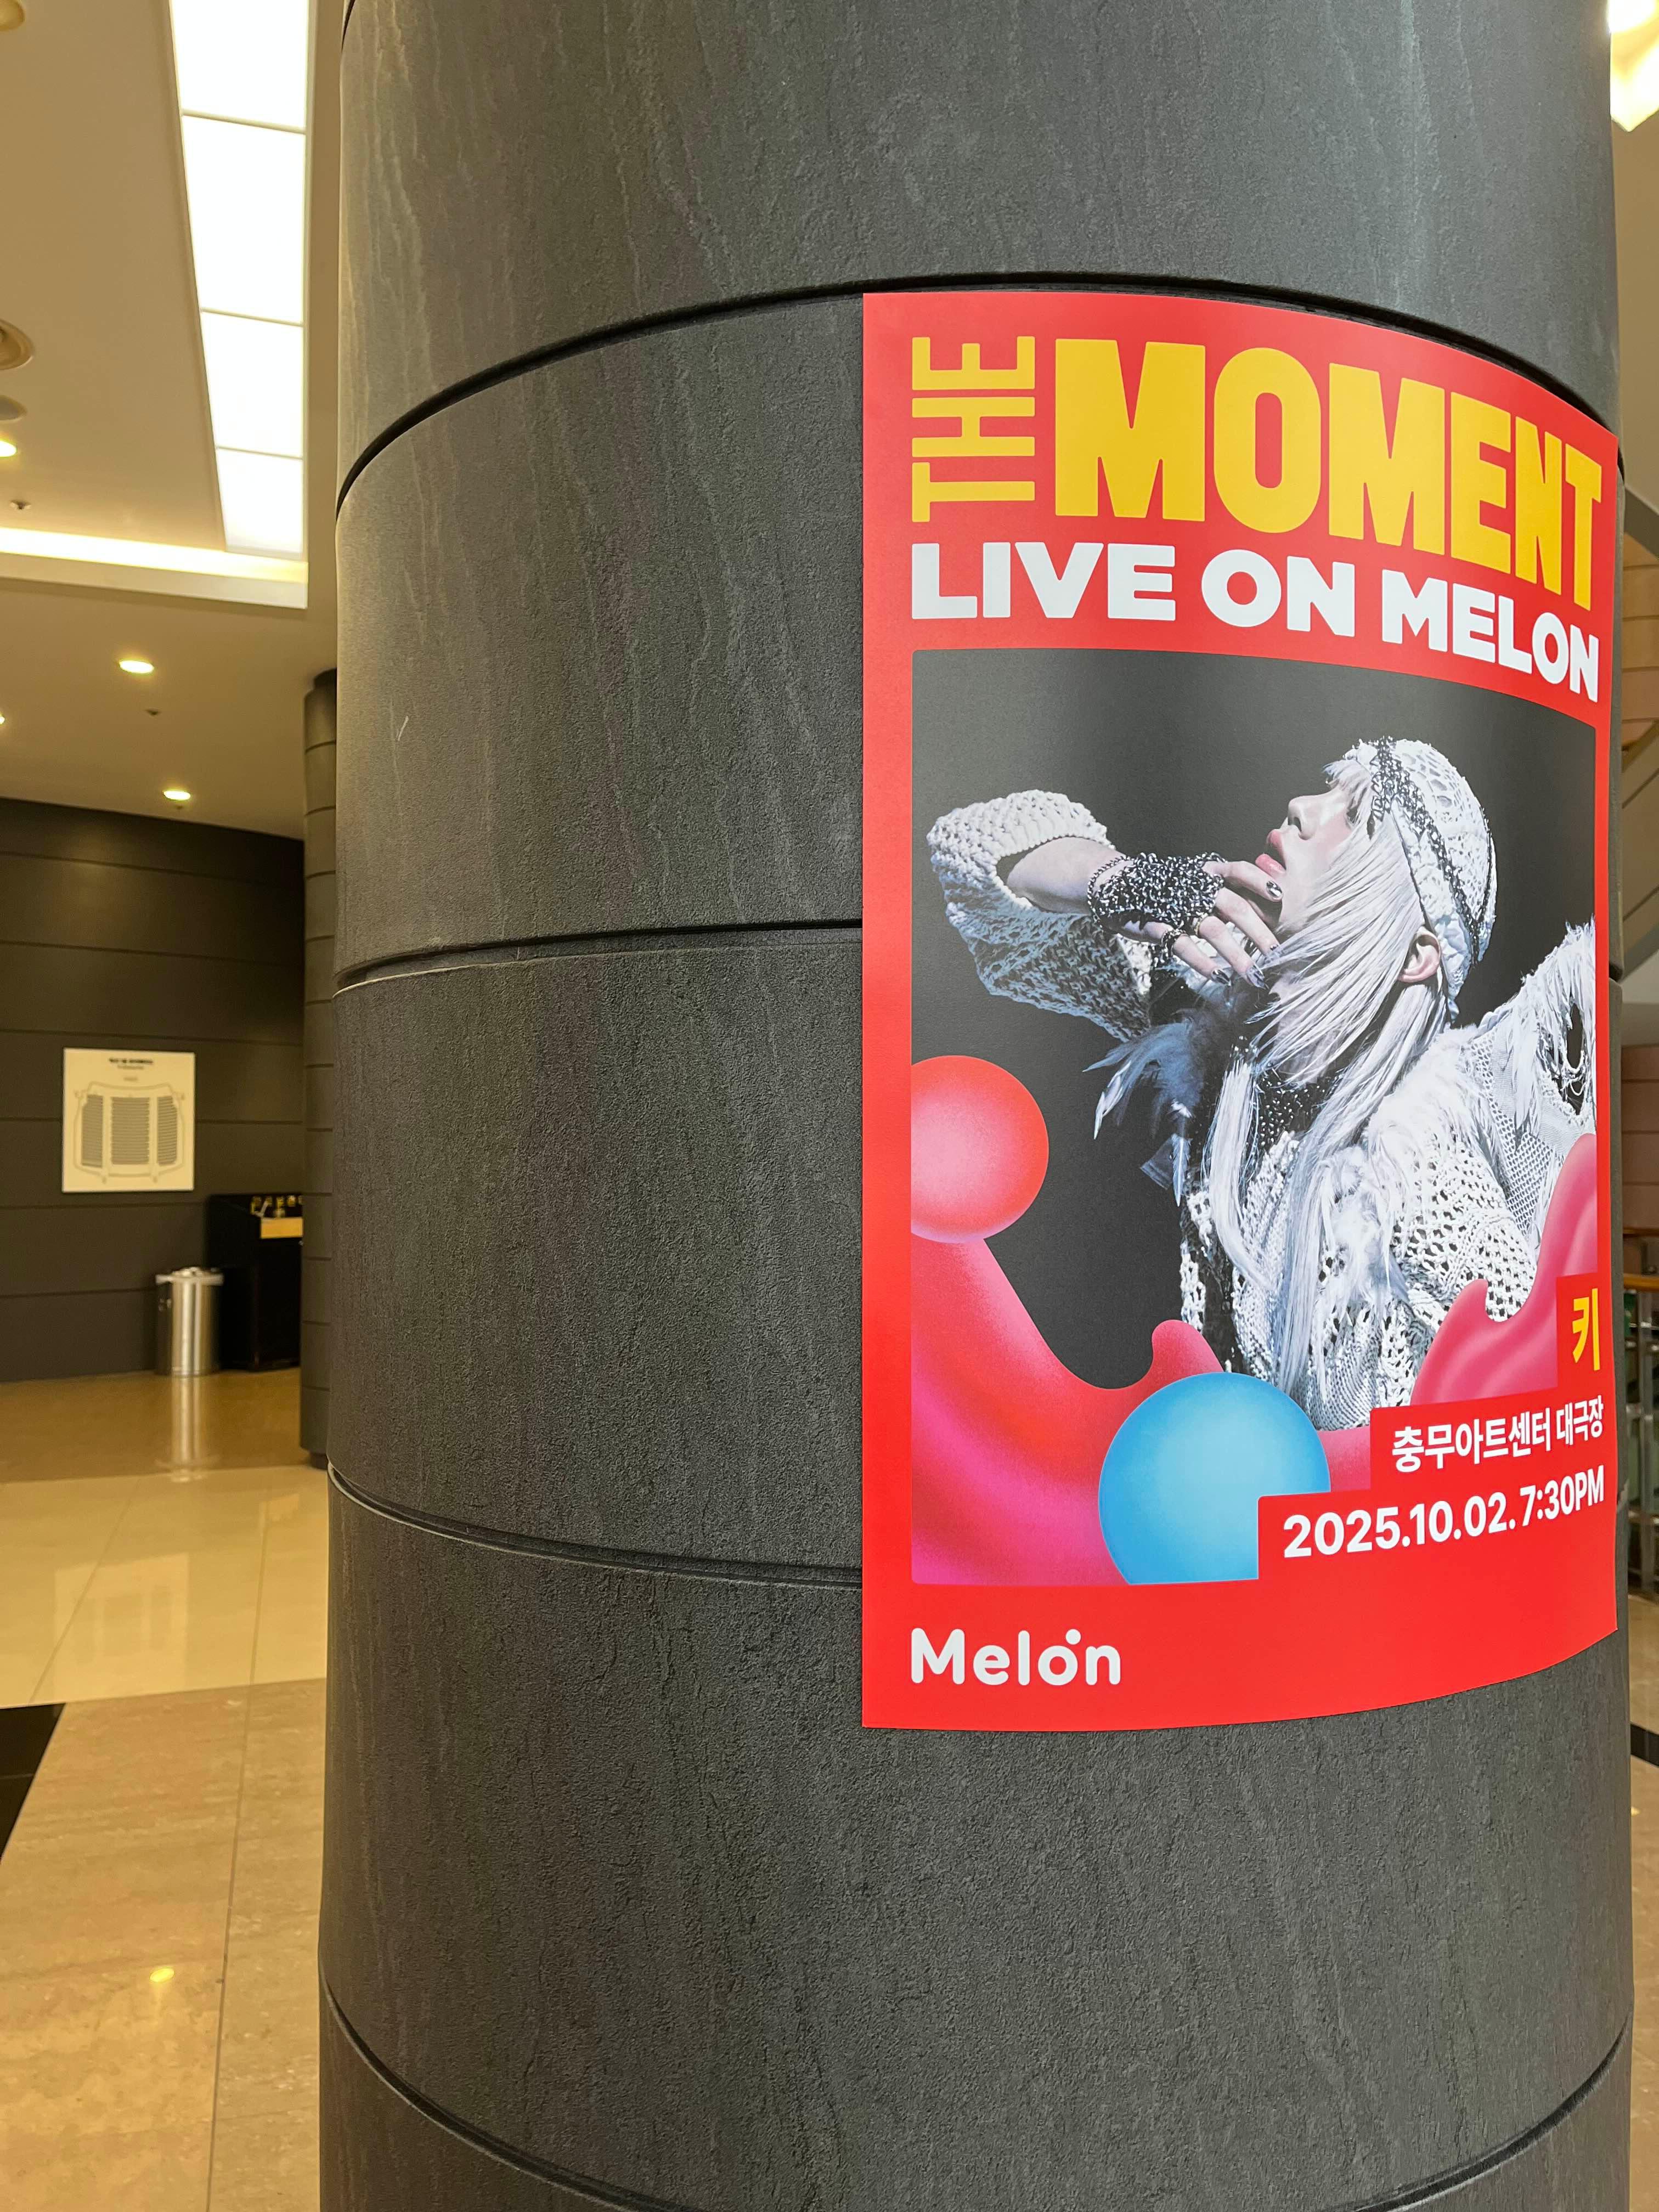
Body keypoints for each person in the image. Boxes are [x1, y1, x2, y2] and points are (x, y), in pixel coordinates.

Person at [928, 737, 1594, 1429]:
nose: (1302, 808)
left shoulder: (1421, 1182)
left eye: (1358, 815)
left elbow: (1518, 1400)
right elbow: (973, 854)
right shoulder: (1212, 1020)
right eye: (1326, 789)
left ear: (1416, 954)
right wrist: (1119, 882)